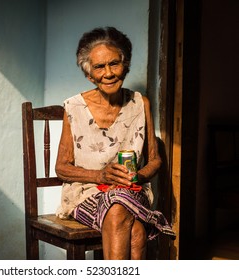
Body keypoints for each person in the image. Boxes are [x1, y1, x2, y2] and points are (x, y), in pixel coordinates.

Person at [55, 26, 176, 260]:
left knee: (120, 204)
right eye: (99, 67)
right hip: (86, 193)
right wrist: (100, 176)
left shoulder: (141, 103)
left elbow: (155, 159)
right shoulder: (73, 107)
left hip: (131, 190)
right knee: (136, 229)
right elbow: (62, 168)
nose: (108, 73)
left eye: (114, 63)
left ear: (125, 66)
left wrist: (136, 177)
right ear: (90, 75)